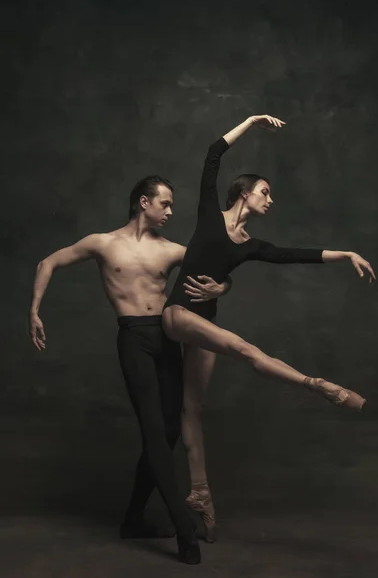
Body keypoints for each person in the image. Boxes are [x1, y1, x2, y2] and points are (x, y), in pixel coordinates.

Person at [162, 114, 376, 542]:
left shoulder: (250, 245)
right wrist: (252, 121)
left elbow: (295, 254)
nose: (270, 200)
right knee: (245, 350)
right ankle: (319, 386)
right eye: (265, 192)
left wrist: (346, 253)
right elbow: (213, 153)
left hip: (205, 322)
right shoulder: (209, 214)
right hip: (178, 314)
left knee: (192, 410)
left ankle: (200, 493)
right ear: (243, 192)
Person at [28, 175, 233, 565]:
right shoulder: (103, 243)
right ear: (144, 202)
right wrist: (34, 310)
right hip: (133, 338)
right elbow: (48, 262)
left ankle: (133, 519)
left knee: (169, 431)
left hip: (167, 336)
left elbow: (219, 269)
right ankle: (183, 531)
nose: (171, 211)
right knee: (154, 430)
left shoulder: (171, 250)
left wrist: (221, 289)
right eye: (166, 204)